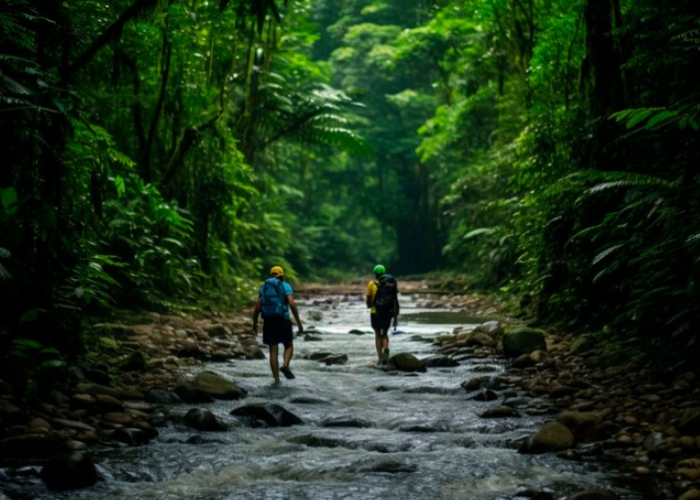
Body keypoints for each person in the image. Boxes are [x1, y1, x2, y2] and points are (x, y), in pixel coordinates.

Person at [252, 266, 304, 383]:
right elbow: (291, 303)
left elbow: (258, 307)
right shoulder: (285, 286)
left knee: (273, 351)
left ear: (271, 275)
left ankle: (276, 380)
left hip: (269, 321)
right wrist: (299, 322)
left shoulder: (264, 287)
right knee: (288, 344)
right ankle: (285, 365)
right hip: (283, 319)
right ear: (282, 275)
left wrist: (254, 323)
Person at [366, 264, 400, 365]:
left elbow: (368, 296)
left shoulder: (372, 284)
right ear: (384, 273)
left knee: (377, 334)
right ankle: (386, 350)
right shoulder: (390, 284)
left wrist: (369, 304)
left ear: (375, 273)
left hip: (375, 312)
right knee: (384, 333)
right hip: (387, 312)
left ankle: (380, 357)